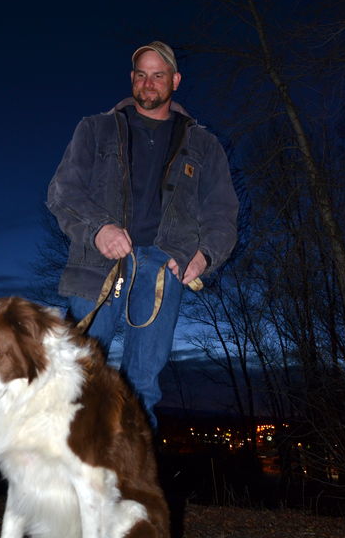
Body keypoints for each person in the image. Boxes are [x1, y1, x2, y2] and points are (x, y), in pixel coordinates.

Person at [47, 41, 238, 428]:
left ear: (175, 81)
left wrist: (204, 256)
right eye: (141, 74)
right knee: (78, 383)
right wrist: (97, 229)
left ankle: (130, 486)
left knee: (142, 388)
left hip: (164, 270)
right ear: (131, 79)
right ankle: (71, 487)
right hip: (97, 265)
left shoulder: (204, 145)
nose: (148, 83)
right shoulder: (96, 129)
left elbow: (222, 212)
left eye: (158, 75)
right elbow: (62, 192)